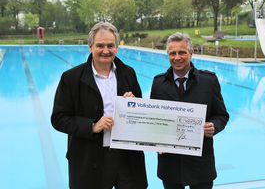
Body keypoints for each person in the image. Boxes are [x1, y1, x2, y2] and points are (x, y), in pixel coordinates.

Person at [51, 22, 148, 189]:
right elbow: (58, 119)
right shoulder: (71, 78)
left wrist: (134, 104)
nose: (106, 50)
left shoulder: (128, 73)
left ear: (117, 47)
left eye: (111, 45)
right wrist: (92, 126)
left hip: (126, 158)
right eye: (100, 45)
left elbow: (141, 114)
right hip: (89, 159)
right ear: (90, 47)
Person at [150, 32, 229, 189]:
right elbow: (154, 121)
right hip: (170, 164)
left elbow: (221, 115)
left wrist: (213, 126)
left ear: (191, 53)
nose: (177, 57)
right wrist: (156, 142)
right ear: (168, 55)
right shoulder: (158, 83)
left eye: (182, 52)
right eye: (172, 53)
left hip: (200, 164)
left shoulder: (208, 81)